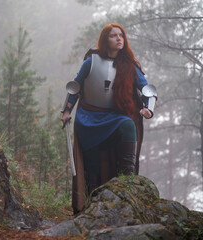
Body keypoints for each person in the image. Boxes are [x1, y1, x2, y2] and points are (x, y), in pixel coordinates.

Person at [61, 23, 155, 214]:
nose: (119, 39)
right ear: (106, 40)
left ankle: (126, 183)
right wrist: (66, 110)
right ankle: (90, 205)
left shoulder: (130, 65)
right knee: (92, 166)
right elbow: (75, 87)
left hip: (114, 117)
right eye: (113, 36)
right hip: (88, 118)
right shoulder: (91, 61)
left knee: (128, 124)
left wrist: (148, 109)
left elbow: (147, 90)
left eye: (121, 35)